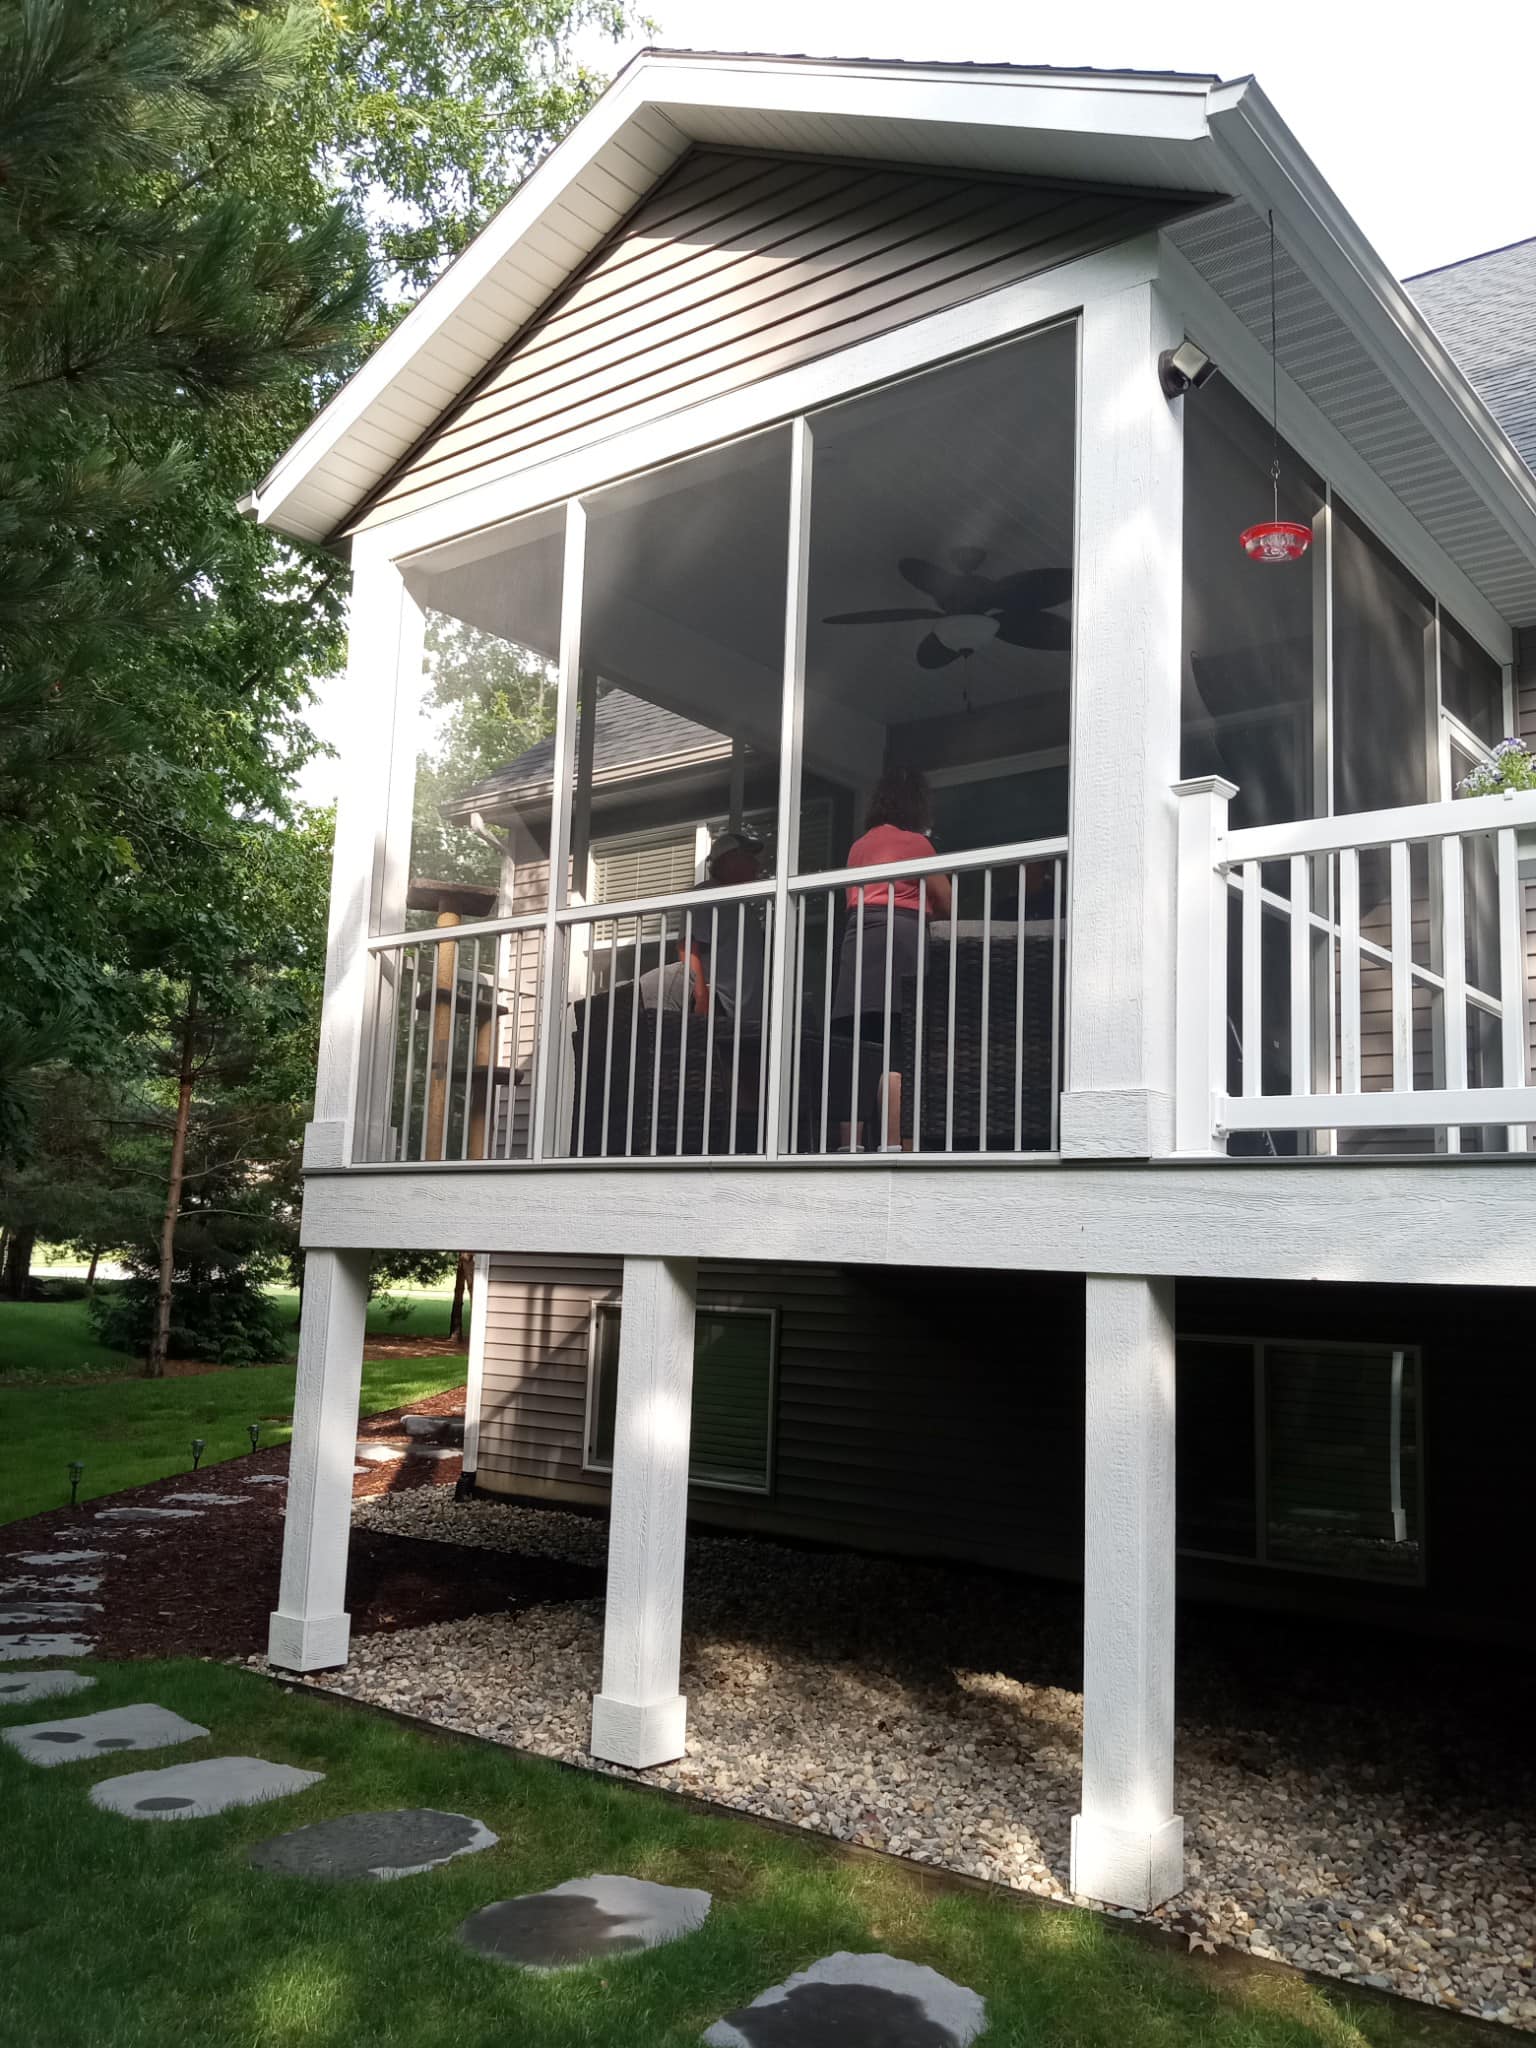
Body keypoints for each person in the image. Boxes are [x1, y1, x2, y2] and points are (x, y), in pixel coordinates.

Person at [830, 769, 951, 1150]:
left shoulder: (858, 847)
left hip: (858, 942)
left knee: (859, 1048)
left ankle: (850, 1146)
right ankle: (896, 1145)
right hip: (901, 941)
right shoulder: (916, 844)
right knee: (899, 1047)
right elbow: (948, 901)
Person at [638, 824, 766, 1025]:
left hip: (748, 1013)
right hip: (720, 1004)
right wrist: (701, 997)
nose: (756, 865)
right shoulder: (706, 895)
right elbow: (688, 948)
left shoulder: (743, 904)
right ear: (729, 860)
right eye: (748, 857)